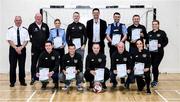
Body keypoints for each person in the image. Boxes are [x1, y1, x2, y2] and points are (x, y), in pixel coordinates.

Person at [6, 16, 30, 87]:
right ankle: (12, 82)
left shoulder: (25, 30)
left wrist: (21, 47)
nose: (18, 21)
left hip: (22, 48)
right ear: (14, 21)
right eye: (17, 20)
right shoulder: (10, 29)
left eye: (19, 20)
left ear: (21, 21)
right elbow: (9, 40)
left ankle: (22, 81)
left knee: (22, 66)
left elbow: (26, 40)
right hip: (13, 48)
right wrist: (16, 48)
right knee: (13, 66)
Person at [28, 13, 49, 85]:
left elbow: (47, 36)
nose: (38, 18)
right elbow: (29, 37)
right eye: (37, 17)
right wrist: (34, 43)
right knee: (34, 64)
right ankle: (33, 78)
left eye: (40, 17)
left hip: (43, 49)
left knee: (44, 64)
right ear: (35, 18)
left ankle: (44, 79)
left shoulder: (45, 26)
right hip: (34, 49)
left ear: (42, 18)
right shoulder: (31, 26)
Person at [146, 20, 168, 87]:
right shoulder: (149, 33)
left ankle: (155, 80)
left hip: (159, 53)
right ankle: (149, 79)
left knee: (155, 66)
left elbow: (166, 41)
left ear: (158, 25)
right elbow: (146, 42)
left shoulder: (162, 33)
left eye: (156, 24)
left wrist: (161, 45)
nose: (154, 25)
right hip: (151, 53)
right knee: (151, 66)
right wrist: (147, 45)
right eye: (153, 24)